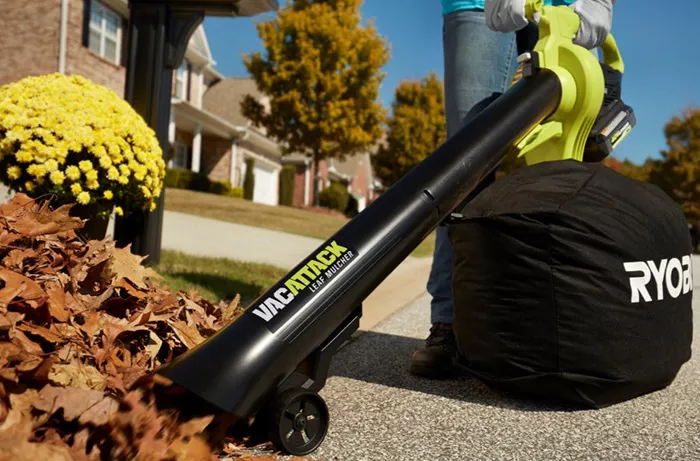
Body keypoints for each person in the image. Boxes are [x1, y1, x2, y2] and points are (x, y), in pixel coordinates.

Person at [409, 0, 616, 379]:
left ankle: (560, 327)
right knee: (465, 164)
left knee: (561, 170)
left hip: (568, 9)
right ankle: (449, 325)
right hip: (476, 6)